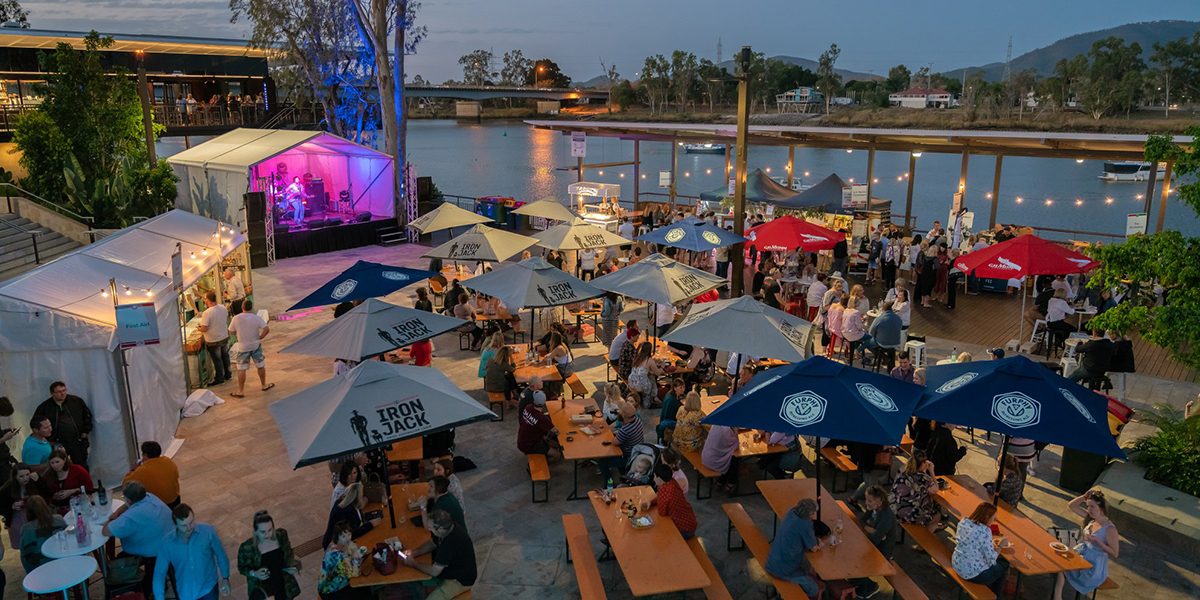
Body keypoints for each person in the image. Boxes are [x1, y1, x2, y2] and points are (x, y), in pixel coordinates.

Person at [154, 504, 232, 600]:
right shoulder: (167, 544)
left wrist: (225, 578)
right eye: (183, 525)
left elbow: (221, 554)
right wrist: (159, 597)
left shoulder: (208, 531)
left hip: (209, 588)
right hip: (185, 592)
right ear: (175, 524)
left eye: (191, 522)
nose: (189, 528)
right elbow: (159, 573)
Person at [1054, 490, 1119, 600]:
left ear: (1101, 507)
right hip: (1082, 554)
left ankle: (1057, 597)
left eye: (1092, 507)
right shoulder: (1091, 519)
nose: (1089, 510)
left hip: (1093, 565)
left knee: (1061, 567)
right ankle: (1057, 597)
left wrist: (1099, 543)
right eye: (1087, 506)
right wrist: (1084, 496)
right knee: (1058, 562)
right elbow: (1071, 505)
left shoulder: (1110, 529)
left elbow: (1115, 553)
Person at [399, 509, 477, 600]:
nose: (429, 529)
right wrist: (414, 552)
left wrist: (413, 563)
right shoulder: (448, 529)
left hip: (459, 581)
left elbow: (434, 571)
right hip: (449, 571)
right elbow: (432, 543)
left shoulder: (451, 543)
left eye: (431, 528)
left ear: (440, 528)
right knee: (419, 581)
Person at [103, 481, 174, 575]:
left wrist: (112, 519)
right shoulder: (149, 497)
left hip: (154, 551)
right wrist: (117, 513)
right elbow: (126, 506)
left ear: (129, 500)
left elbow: (105, 531)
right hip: (170, 540)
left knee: (117, 562)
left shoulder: (132, 516)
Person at [764, 498, 823, 597]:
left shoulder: (791, 512)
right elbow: (813, 548)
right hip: (783, 569)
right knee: (814, 589)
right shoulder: (805, 524)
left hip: (773, 560)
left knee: (804, 571)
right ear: (810, 514)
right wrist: (819, 544)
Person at [237, 511, 300, 600]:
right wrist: (255, 573)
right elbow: (242, 568)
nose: (267, 535)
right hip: (263, 591)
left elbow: (289, 554)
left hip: (282, 586)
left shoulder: (281, 536)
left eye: (270, 530)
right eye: (262, 532)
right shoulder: (247, 547)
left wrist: (292, 566)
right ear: (255, 531)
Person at [849, 485, 898, 597]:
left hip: (882, 552)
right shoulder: (874, 509)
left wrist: (869, 534)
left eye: (869, 500)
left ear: (879, 502)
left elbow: (875, 540)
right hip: (873, 544)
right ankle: (859, 581)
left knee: (853, 561)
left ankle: (870, 587)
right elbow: (861, 520)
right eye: (866, 499)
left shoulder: (886, 518)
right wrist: (869, 529)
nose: (867, 503)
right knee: (849, 557)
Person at [952, 502, 1009, 596]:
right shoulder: (984, 531)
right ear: (987, 517)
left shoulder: (964, 521)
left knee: (997, 562)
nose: (994, 521)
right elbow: (991, 559)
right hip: (972, 574)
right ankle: (995, 596)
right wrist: (1000, 546)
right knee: (1004, 565)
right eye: (994, 518)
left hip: (957, 563)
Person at [33, 382, 93, 470]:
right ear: (52, 393)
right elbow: (36, 423)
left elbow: (87, 415)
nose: (63, 394)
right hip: (57, 442)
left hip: (76, 440)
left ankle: (82, 483)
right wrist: (46, 440)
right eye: (59, 392)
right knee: (59, 467)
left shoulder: (76, 401)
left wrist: (86, 431)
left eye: (64, 390)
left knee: (81, 465)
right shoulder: (45, 407)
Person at [228, 299, 274, 398]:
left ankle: (241, 391)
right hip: (255, 345)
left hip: (242, 346)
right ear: (251, 307)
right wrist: (261, 337)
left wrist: (238, 333)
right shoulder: (256, 318)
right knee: (260, 365)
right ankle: (264, 385)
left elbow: (231, 331)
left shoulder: (236, 318)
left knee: (241, 369)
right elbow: (266, 329)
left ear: (242, 307)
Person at [891, 449, 943, 533]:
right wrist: (931, 471)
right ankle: (927, 537)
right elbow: (935, 490)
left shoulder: (902, 469)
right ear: (922, 463)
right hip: (905, 513)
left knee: (926, 502)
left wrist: (923, 471)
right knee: (936, 516)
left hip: (893, 506)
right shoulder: (922, 477)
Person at [639, 464, 697, 538]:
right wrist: (650, 503)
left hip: (683, 530)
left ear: (659, 479)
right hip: (690, 522)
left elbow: (662, 512)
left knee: (660, 535)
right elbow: (664, 499)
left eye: (654, 476)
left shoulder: (664, 490)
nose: (653, 479)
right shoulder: (672, 482)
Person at [123, 441, 181, 508]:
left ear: (145, 455)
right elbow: (176, 476)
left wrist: (132, 470)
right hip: (176, 500)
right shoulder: (168, 461)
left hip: (158, 505)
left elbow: (126, 485)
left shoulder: (141, 471)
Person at [0, 464, 46, 551]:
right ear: (15, 477)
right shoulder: (7, 489)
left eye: (27, 475)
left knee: (39, 541)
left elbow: (47, 493)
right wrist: (11, 507)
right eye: (21, 476)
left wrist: (39, 481)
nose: (25, 478)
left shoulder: (34, 482)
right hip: (17, 520)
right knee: (24, 545)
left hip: (36, 517)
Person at [317, 521, 367, 600]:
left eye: (349, 534)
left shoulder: (343, 544)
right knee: (365, 593)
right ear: (337, 537)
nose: (347, 538)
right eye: (343, 536)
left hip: (339, 583)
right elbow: (353, 573)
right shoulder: (335, 554)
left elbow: (356, 549)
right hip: (331, 591)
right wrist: (357, 557)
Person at [321, 483, 379, 549]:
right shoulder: (346, 511)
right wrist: (371, 525)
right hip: (337, 547)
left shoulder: (350, 504)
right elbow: (352, 533)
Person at [19, 495, 64, 573]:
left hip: (38, 568)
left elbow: (25, 553)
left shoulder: (26, 529)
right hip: (61, 560)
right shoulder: (59, 519)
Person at [198, 292, 233, 386]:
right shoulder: (223, 308)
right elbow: (225, 319)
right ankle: (228, 374)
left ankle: (219, 378)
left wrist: (199, 328)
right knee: (225, 356)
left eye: (205, 299)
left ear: (208, 300)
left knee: (217, 359)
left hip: (213, 339)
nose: (205, 301)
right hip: (224, 336)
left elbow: (204, 328)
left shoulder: (207, 313)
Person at [517, 379, 558, 456]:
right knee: (557, 454)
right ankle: (540, 465)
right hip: (530, 445)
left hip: (522, 440)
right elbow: (555, 431)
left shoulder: (528, 407)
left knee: (554, 444)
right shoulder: (541, 418)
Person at [701, 425, 742, 492]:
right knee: (734, 458)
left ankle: (721, 482)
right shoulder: (728, 433)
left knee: (728, 456)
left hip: (706, 457)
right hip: (714, 462)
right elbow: (736, 446)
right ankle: (730, 482)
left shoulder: (716, 425)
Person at [862, 302, 903, 369]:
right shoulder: (898, 318)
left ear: (883, 309)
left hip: (882, 342)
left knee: (867, 343)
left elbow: (871, 332)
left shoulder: (879, 319)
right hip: (895, 342)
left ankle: (883, 357)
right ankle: (887, 361)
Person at [627, 343, 664, 408]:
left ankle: (654, 397)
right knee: (652, 378)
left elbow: (643, 370)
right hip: (641, 385)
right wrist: (662, 367)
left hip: (632, 382)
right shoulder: (649, 360)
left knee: (651, 377)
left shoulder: (638, 357)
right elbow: (657, 373)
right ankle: (648, 402)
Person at [656, 379, 687, 443]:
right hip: (668, 424)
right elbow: (673, 415)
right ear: (675, 388)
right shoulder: (672, 400)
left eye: (683, 387)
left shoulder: (671, 395)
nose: (683, 389)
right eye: (680, 387)